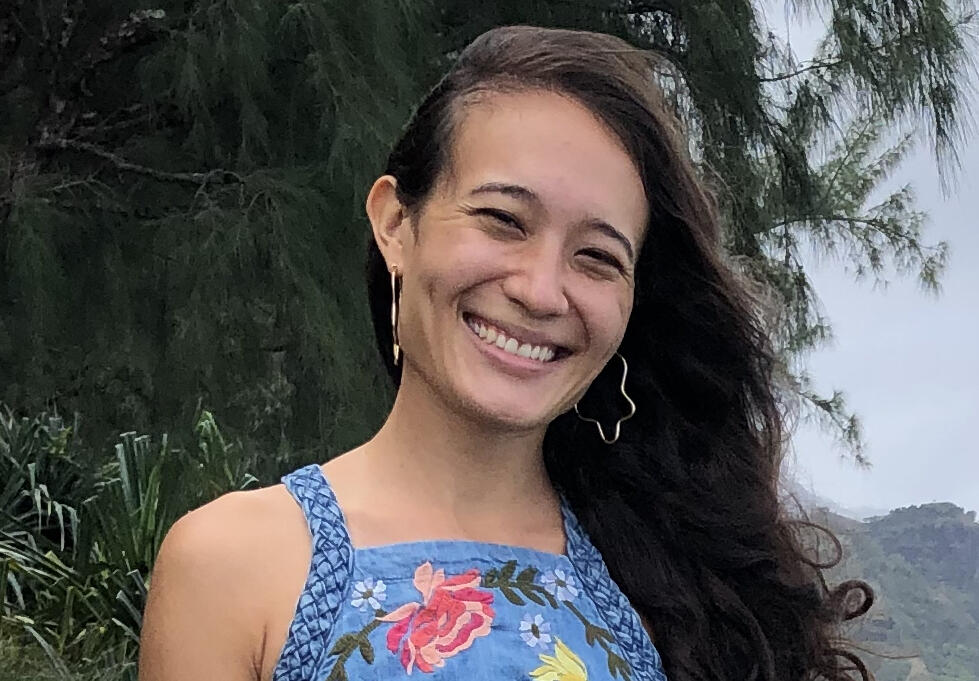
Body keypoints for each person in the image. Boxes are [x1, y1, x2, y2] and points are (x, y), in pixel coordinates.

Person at [138, 25, 872, 681]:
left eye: (596, 258)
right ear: (396, 222)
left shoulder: (682, 587)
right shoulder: (232, 564)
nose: (542, 290)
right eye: (501, 219)